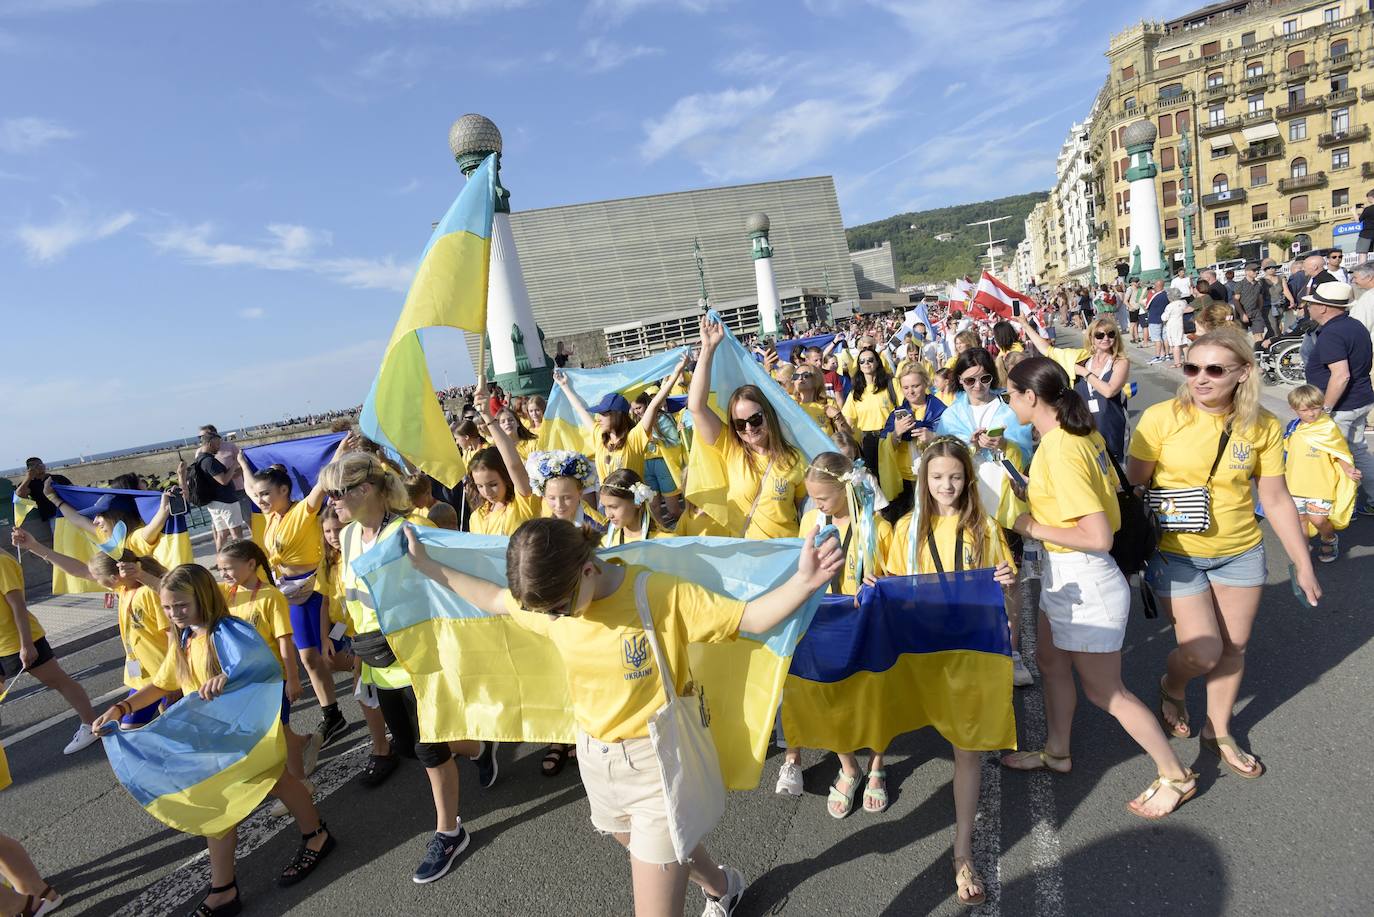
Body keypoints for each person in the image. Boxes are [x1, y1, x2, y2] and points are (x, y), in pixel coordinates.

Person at [404, 515, 844, 917]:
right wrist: (427, 565)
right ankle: (722, 885)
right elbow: (495, 599)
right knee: (634, 842)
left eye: (558, 607)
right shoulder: (552, 603)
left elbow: (749, 618)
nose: (553, 618)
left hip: (657, 765)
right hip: (595, 758)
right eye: (545, 612)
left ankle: (720, 886)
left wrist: (806, 582)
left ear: (588, 569)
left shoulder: (655, 594)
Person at [1002, 357, 1199, 818]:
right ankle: (1056, 750)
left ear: (1032, 397)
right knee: (1050, 661)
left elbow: (1097, 536)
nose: (1008, 402)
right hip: (1068, 578)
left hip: (1087, 580)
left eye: (1011, 394)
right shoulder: (1077, 435)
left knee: (1106, 693)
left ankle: (1176, 774)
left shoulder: (1060, 449)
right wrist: (1033, 493)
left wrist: (1031, 526)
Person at [1128, 328, 1321, 781]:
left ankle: (1219, 730)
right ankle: (1172, 684)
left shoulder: (1262, 426)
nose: (1200, 378)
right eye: (1192, 367)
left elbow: (1274, 498)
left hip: (1240, 551)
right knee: (1202, 652)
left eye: (1215, 369)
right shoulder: (1160, 418)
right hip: (1176, 552)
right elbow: (1136, 485)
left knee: (1233, 648)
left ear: (1243, 373)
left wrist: (1303, 562)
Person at [90, 564, 337, 913]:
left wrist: (227, 677)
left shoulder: (228, 630)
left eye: (181, 606)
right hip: (215, 737)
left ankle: (240, 880)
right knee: (245, 794)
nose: (174, 614)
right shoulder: (186, 635)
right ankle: (250, 873)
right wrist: (121, 707)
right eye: (167, 607)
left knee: (253, 792)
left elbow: (261, 667)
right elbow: (165, 682)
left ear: (202, 597)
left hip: (243, 732)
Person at [318, 451, 498, 884]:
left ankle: (450, 832)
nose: (331, 503)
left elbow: (448, 582)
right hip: (378, 658)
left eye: (336, 493)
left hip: (416, 658)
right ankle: (477, 748)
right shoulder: (344, 537)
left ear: (365, 490)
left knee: (427, 750)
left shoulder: (408, 530)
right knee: (408, 746)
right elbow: (354, 593)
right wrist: (347, 638)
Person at [886, 437, 1018, 906]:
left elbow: (1007, 603)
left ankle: (962, 851)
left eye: (956, 477)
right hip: (924, 654)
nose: (947, 485)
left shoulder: (984, 527)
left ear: (968, 479)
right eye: (937, 477)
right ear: (923, 479)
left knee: (967, 750)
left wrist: (1008, 587)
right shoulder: (904, 530)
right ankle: (871, 773)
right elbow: (890, 589)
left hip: (969, 653)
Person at [776, 452, 894, 816]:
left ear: (846, 490)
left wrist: (882, 582)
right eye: (812, 497)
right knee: (829, 698)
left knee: (872, 697)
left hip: (865, 622)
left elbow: (894, 574)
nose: (816, 504)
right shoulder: (812, 520)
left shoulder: (877, 527)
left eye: (823, 497)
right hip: (823, 620)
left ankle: (876, 767)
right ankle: (848, 767)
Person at [233, 450, 349, 748]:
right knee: (309, 658)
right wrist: (244, 464)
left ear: (285, 490)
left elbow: (323, 484)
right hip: (290, 593)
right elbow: (249, 488)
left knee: (331, 656)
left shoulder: (303, 511)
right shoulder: (270, 519)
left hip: (316, 590)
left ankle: (373, 669)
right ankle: (332, 713)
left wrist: (340, 451)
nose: (260, 499)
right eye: (258, 495)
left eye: (266, 493)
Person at [16, 536, 175, 728]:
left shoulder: (149, 593)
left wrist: (175, 674)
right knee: (161, 726)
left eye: (97, 578)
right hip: (142, 677)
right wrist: (34, 546)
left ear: (113, 578)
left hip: (163, 676)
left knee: (137, 729)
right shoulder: (124, 588)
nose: (94, 580)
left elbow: (172, 636)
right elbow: (79, 570)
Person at [689, 316, 807, 539]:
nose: (749, 429)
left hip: (788, 555)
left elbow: (805, 514)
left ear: (768, 414)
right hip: (749, 557)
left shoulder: (795, 459)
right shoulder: (731, 448)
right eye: (740, 424)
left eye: (754, 420)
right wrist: (708, 349)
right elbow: (696, 406)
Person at [1, 538, 101, 754]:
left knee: (59, 681)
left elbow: (17, 605)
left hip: (18, 641)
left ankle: (91, 725)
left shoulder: (1, 562)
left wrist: (26, 644)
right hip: (2, 645)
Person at [556, 358, 687, 486]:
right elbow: (579, 409)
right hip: (609, 505)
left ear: (616, 415)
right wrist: (564, 386)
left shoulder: (634, 438)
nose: (598, 417)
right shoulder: (599, 434)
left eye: (603, 414)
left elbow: (654, 405)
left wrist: (675, 374)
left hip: (633, 506)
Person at [1302, 281, 1374, 513]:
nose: (1308, 307)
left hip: (1342, 405)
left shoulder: (1332, 333)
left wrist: (1326, 409)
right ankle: (1371, 500)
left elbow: (1340, 375)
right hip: (1359, 399)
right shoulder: (1354, 325)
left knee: (1335, 457)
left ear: (1323, 308)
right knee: (1358, 450)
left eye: (1311, 304)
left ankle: (1344, 507)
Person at [1019, 315, 1131, 464]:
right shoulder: (1080, 358)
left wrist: (1084, 373)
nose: (1106, 338)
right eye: (1099, 335)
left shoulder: (1120, 361)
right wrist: (1025, 324)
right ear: (1091, 338)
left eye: (1111, 334)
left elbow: (1109, 391)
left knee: (1117, 472)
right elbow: (1047, 349)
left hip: (1112, 426)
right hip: (1085, 427)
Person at [1284, 384, 1361, 562]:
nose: (1311, 414)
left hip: (1320, 485)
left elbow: (1339, 452)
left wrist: (1348, 468)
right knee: (1301, 521)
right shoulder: (1293, 428)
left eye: (1316, 408)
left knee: (1318, 520)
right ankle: (1302, 557)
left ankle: (1329, 538)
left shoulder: (1328, 428)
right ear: (1294, 409)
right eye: (1305, 410)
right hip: (1295, 484)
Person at [181, 429, 246, 551]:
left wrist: (238, 470)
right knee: (236, 533)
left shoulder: (200, 460)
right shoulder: (209, 461)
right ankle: (241, 556)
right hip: (226, 502)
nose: (219, 447)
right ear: (210, 444)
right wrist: (236, 462)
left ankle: (220, 560)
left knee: (222, 534)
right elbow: (224, 480)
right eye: (217, 444)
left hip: (214, 502)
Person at [841, 346, 900, 473]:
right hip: (869, 442)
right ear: (859, 366)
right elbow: (847, 423)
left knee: (895, 477)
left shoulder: (892, 383)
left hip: (891, 437)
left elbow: (903, 409)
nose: (866, 363)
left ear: (877, 362)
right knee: (875, 480)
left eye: (870, 360)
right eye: (862, 361)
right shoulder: (855, 393)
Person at [14, 458, 71, 530]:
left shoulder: (58, 478)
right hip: (54, 516)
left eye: (40, 464)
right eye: (36, 465)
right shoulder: (30, 484)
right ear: (29, 469)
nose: (40, 466)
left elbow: (74, 490)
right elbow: (19, 495)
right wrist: (28, 478)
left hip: (70, 511)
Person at [1233, 262, 1266, 342]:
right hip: (1243, 313)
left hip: (1255, 313)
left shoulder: (1258, 284)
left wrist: (1259, 310)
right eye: (1254, 270)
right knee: (1242, 338)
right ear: (1247, 272)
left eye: (1257, 270)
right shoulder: (1240, 284)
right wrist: (1242, 314)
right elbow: (1236, 300)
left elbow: (1260, 299)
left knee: (1259, 335)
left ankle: (1259, 352)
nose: (1257, 272)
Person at [1144, 279, 1169, 364]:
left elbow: (1146, 307)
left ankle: (1157, 356)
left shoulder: (1153, 295)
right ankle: (1166, 355)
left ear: (1156, 285)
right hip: (1164, 319)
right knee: (1164, 337)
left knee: (1157, 339)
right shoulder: (1166, 294)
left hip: (1154, 319)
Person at [1358, 189, 1374, 255]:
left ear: (1371, 197)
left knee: (1363, 254)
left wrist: (1353, 211)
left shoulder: (1367, 209)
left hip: (1367, 234)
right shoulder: (1367, 209)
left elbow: (1358, 220)